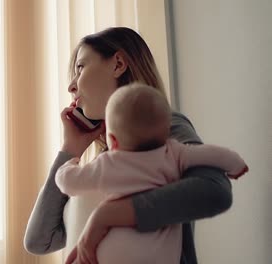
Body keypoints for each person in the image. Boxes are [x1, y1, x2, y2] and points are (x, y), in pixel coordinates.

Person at [24, 27, 235, 264]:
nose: (71, 86)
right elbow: (39, 240)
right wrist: (71, 149)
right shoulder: (106, 161)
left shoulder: (166, 127)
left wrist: (110, 215)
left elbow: (214, 189)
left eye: (80, 67)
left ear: (118, 64)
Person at [55, 83, 248, 264]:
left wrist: (69, 163)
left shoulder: (107, 164)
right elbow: (214, 154)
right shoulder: (175, 153)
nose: (74, 83)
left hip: (116, 253)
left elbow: (68, 182)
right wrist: (236, 165)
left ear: (113, 141)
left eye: (81, 66)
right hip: (163, 254)